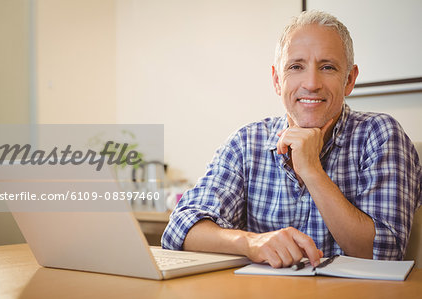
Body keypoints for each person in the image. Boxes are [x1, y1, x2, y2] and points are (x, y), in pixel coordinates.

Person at [161, 10, 421, 268]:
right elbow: (180, 230)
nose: (311, 83)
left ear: (349, 80)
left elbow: (384, 254)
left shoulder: (381, 135)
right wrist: (251, 243)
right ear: (277, 80)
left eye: (327, 67)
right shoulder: (246, 142)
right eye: (296, 67)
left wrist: (312, 170)